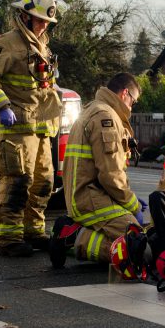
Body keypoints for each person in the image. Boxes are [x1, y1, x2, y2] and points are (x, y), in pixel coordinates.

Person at [0, 0, 63, 257]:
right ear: (24, 17)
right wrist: (1, 106)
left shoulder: (42, 45)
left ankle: (34, 232)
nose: (44, 25)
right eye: (39, 21)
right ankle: (10, 239)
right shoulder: (10, 44)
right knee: (16, 183)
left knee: (43, 183)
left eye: (47, 22)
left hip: (40, 128)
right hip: (17, 130)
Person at [50, 73, 146, 268]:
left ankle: (73, 233)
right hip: (90, 199)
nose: (131, 107)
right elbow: (111, 175)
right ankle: (73, 236)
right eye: (133, 102)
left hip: (89, 195)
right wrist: (133, 204)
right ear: (124, 93)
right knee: (139, 245)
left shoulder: (93, 109)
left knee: (135, 241)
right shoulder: (105, 118)